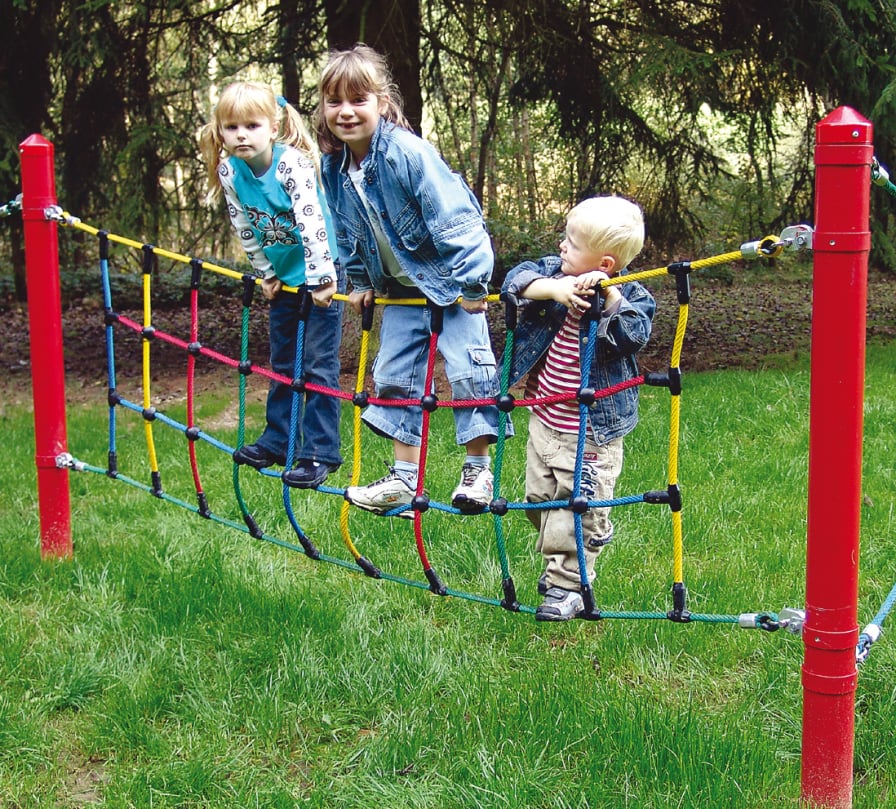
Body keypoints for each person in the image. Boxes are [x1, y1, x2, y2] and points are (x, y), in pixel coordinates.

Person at [315, 44, 509, 516]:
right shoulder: (334, 168)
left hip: (451, 283)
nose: (346, 111)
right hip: (402, 291)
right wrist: (359, 280)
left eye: (358, 100)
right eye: (334, 101)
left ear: (382, 102)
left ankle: (477, 472)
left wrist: (471, 283)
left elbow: (456, 218)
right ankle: (403, 482)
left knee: (470, 370)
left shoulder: (406, 153)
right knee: (392, 376)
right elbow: (346, 233)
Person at [501, 196, 655, 620]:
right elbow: (514, 281)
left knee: (575, 510)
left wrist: (609, 302)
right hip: (545, 421)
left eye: (572, 241)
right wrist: (557, 290)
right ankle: (574, 551)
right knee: (537, 502)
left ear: (605, 263)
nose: (562, 246)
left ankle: (568, 584)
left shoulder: (632, 295)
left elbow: (634, 335)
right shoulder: (554, 272)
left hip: (590, 432)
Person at [199, 81, 343, 489]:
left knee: (317, 364)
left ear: (273, 127)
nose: (241, 135)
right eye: (231, 127)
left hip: (323, 274)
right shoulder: (230, 171)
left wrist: (321, 278)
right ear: (221, 131)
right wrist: (267, 272)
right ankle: (280, 440)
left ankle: (319, 452)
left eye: (251, 125)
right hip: (285, 278)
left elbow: (313, 222)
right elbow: (244, 225)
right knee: (283, 363)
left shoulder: (290, 164)